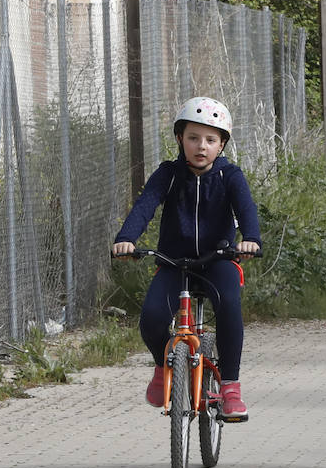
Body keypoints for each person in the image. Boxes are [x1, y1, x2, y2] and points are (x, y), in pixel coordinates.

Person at [112, 96, 262, 421]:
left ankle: (231, 388)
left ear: (222, 144)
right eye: (193, 138)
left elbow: (246, 209)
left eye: (210, 139)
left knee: (229, 305)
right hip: (173, 261)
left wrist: (251, 239)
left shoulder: (230, 177)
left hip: (218, 259)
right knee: (152, 318)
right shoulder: (168, 174)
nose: (201, 146)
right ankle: (162, 365)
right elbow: (145, 206)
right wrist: (126, 239)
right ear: (180, 139)